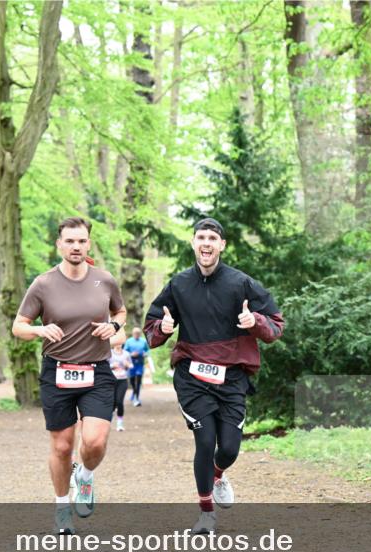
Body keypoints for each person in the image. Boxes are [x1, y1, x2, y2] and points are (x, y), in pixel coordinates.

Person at [144, 217, 284, 535]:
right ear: (193, 243)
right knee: (205, 442)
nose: (206, 243)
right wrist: (163, 330)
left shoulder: (241, 283)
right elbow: (152, 327)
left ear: (222, 245)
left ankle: (218, 474)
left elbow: (276, 325)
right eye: (201, 237)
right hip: (192, 377)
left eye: (212, 238)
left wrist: (255, 322)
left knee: (230, 448)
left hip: (232, 377)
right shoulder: (178, 285)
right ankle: (206, 514)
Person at [12, 216, 126, 535]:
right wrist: (38, 328)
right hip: (57, 371)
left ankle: (85, 476)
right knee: (62, 447)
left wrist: (114, 326)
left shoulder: (104, 280)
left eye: (81, 241)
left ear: (89, 243)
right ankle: (62, 508)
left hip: (97, 371)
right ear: (59, 244)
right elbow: (18, 326)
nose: (76, 246)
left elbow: (121, 312)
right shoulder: (43, 284)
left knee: (95, 441)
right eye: (70, 241)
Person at [123, 327, 150, 406]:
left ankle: (136, 398)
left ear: (140, 334)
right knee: (132, 380)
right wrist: (131, 354)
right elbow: (125, 351)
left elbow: (147, 351)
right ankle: (134, 392)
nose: (137, 335)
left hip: (140, 363)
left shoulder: (143, 341)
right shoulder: (129, 341)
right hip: (131, 364)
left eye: (138, 333)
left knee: (138, 379)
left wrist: (145, 354)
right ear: (133, 334)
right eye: (135, 333)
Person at [109, 341, 132, 431]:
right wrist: (112, 366)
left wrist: (127, 365)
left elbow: (131, 365)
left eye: (120, 343)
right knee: (112, 402)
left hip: (123, 380)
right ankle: (108, 421)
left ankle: (119, 424)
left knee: (119, 401)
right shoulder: (109, 353)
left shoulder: (126, 354)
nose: (119, 344)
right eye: (117, 342)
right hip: (112, 380)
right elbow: (105, 366)